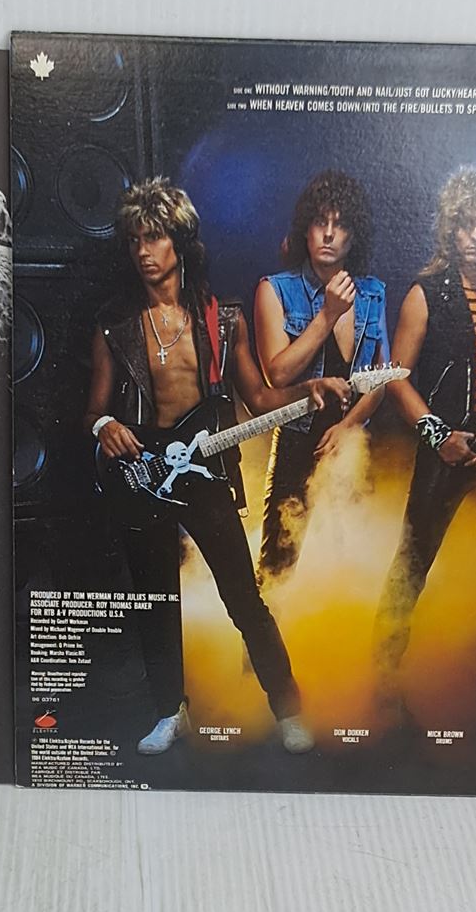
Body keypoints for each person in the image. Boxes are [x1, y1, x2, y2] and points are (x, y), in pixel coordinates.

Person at [83, 179, 347, 756]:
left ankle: (288, 710)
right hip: (142, 471)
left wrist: (310, 388)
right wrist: (105, 427)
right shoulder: (114, 323)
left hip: (203, 468)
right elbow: (93, 409)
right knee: (155, 601)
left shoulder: (222, 320)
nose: (144, 251)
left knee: (244, 598)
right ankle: (168, 711)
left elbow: (261, 397)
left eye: (155, 237)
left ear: (179, 242)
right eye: (135, 240)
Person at [370, 165, 476, 707]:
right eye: (465, 225)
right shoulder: (428, 293)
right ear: (450, 227)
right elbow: (395, 376)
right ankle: (380, 678)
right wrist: (438, 435)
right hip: (446, 449)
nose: (474, 237)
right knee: (412, 562)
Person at [251, 171, 390, 587]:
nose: (329, 234)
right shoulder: (275, 289)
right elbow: (276, 375)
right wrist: (328, 314)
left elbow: (381, 379)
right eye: (320, 222)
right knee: (278, 567)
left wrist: (347, 427)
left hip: (351, 445)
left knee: (351, 567)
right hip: (297, 441)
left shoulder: (373, 293)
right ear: (305, 229)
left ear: (354, 235)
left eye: (340, 224)